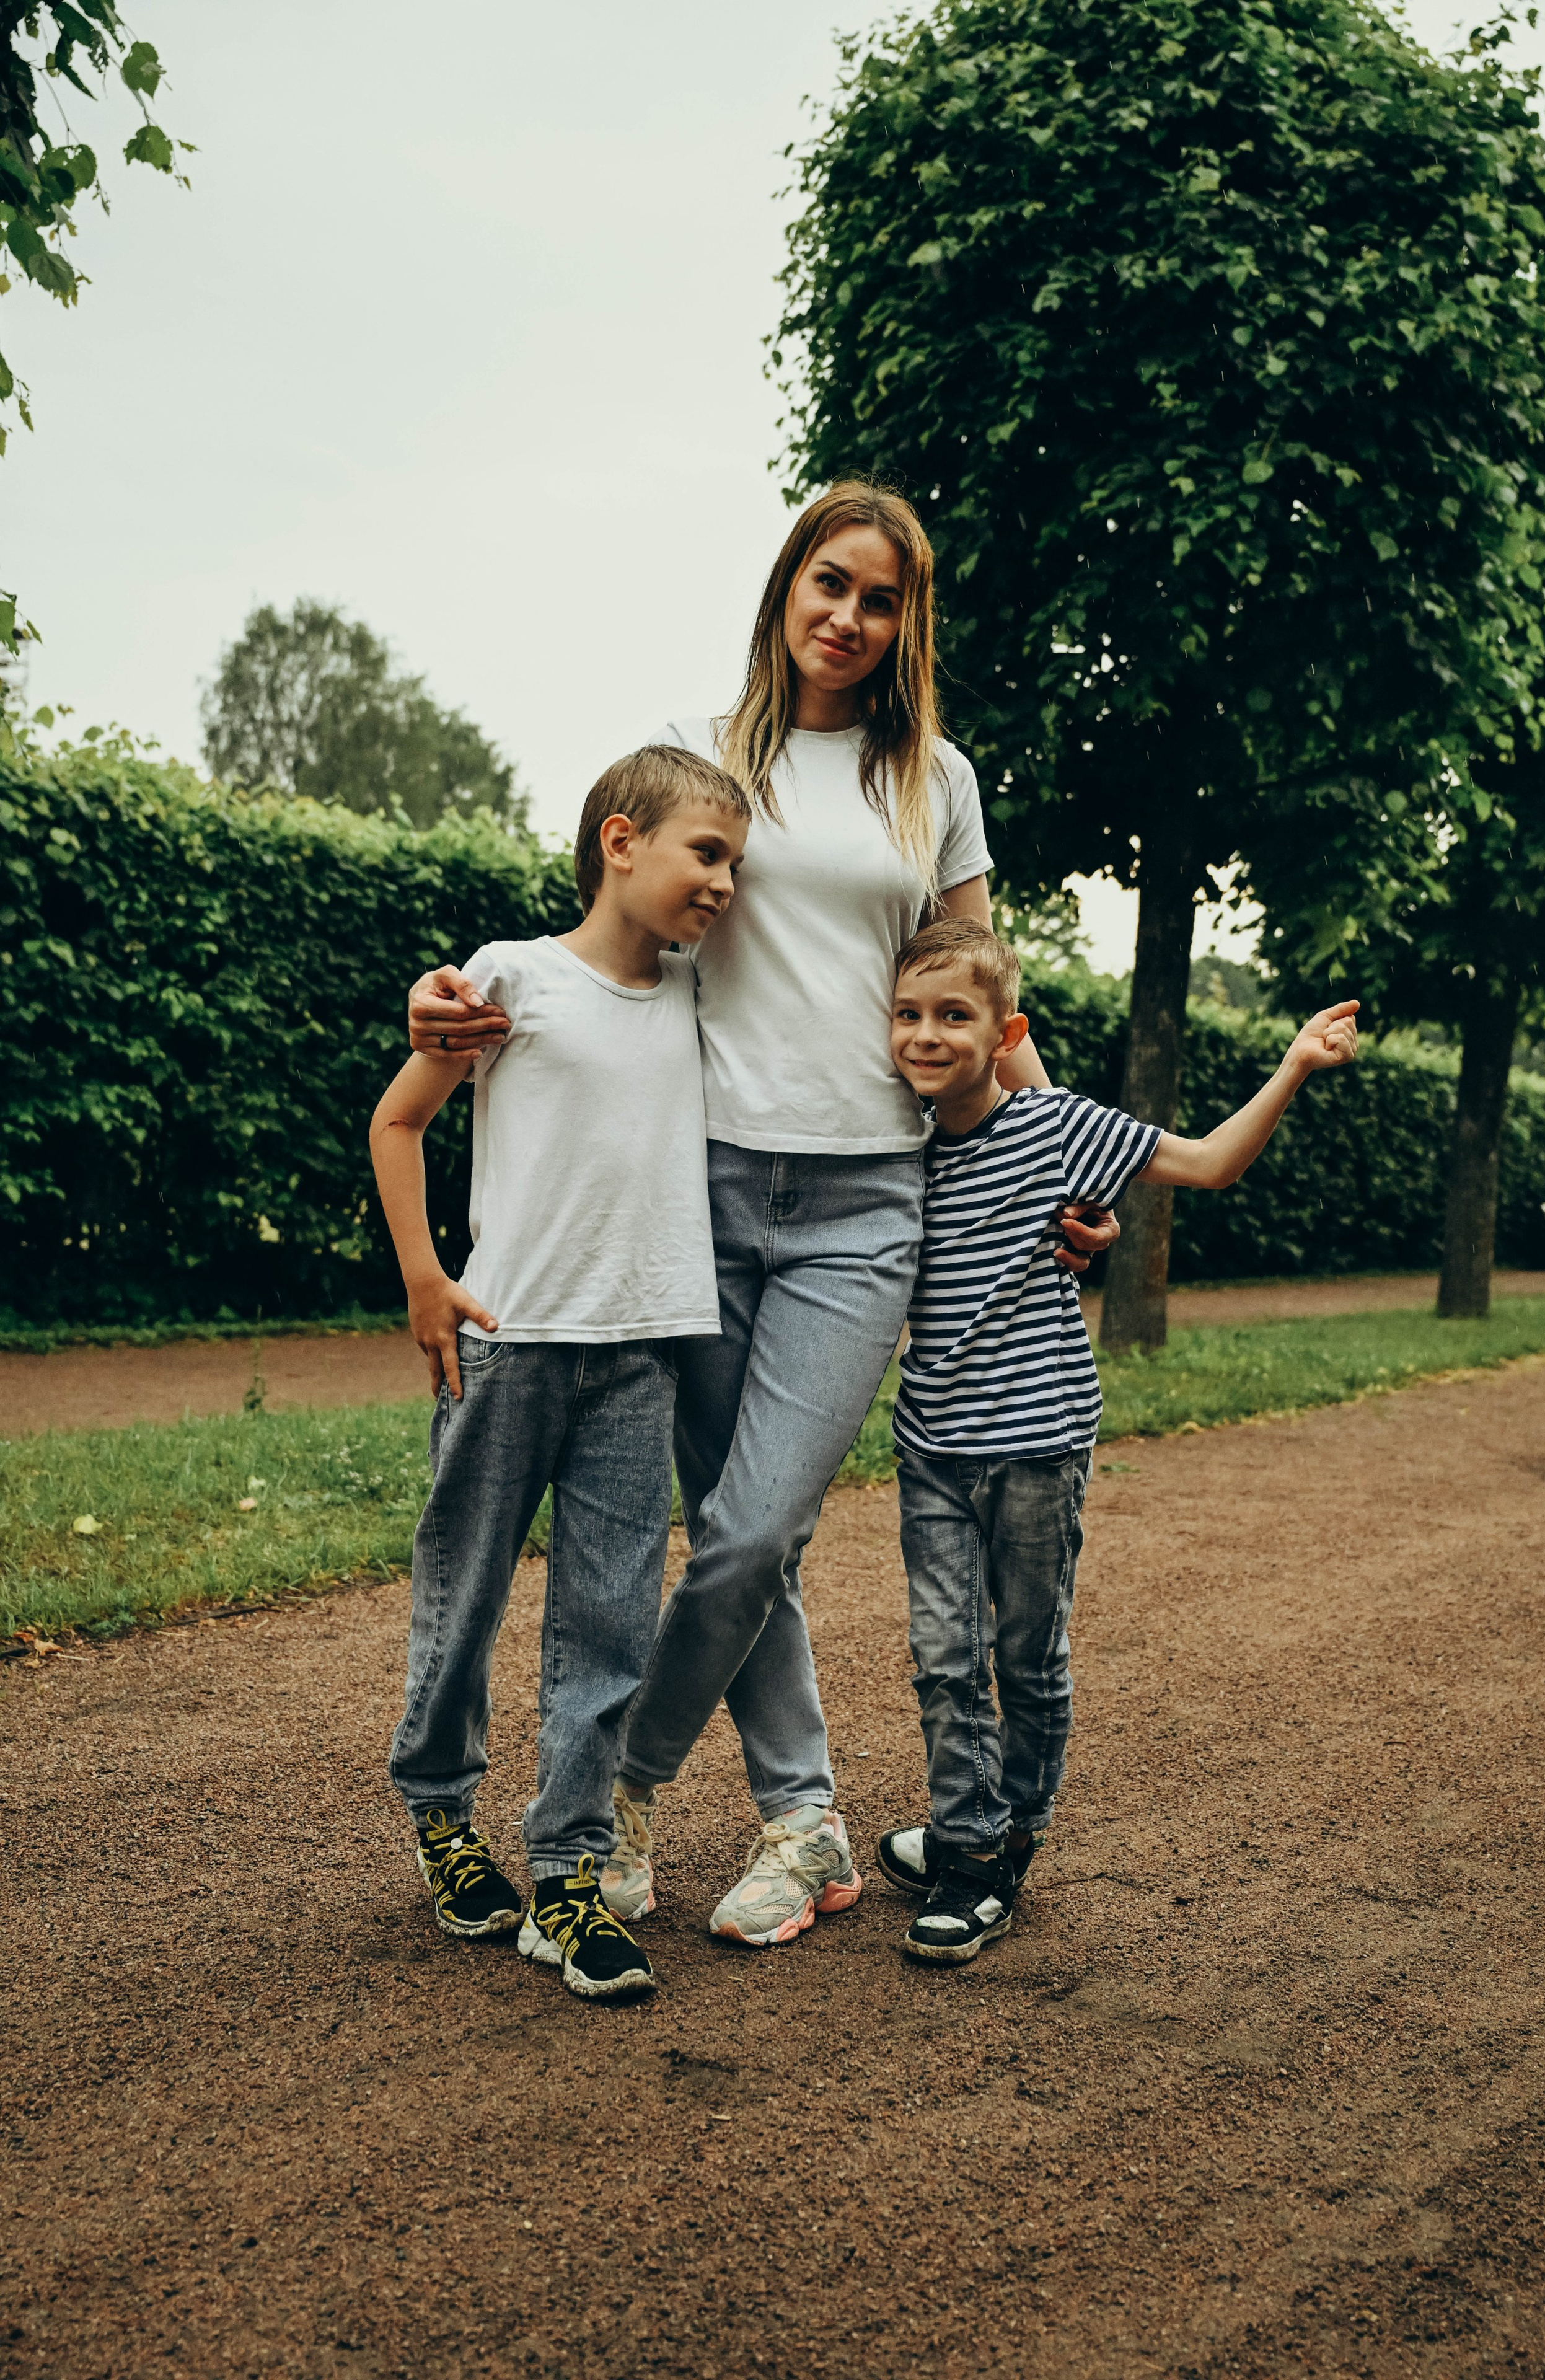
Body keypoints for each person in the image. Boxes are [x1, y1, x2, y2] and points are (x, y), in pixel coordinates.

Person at [405, 482, 1120, 1950]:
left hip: (868, 1197)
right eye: (828, 584)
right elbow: (620, 934)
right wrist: (445, 1003)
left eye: (879, 599)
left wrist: (1059, 1164)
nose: (848, 619)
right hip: (702, 1186)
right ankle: (804, 1823)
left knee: (746, 1529)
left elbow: (978, 990)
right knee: (744, 1542)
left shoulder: (937, 781)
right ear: (785, 585)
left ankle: (618, 1797)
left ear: (905, 623)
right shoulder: (709, 749)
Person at [876, 917, 1360, 1963]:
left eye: (954, 1015)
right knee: (944, 1658)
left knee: (1024, 1653)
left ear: (1008, 1032)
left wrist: (1292, 1064)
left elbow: (1213, 1165)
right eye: (907, 1014)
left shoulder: (1058, 1129)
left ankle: (1015, 1830)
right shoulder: (889, 1147)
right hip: (933, 1448)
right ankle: (968, 1846)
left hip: (1041, 1445)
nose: (925, 1035)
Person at [369, 744, 750, 1998]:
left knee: (606, 1630)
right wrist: (426, 1277)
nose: (723, 884)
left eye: (736, 865)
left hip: (637, 1354)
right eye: (706, 853)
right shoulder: (511, 977)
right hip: (508, 1343)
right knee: (463, 1594)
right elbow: (398, 1118)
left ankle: (568, 1880)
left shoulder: (705, 993)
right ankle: (438, 1810)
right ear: (620, 841)